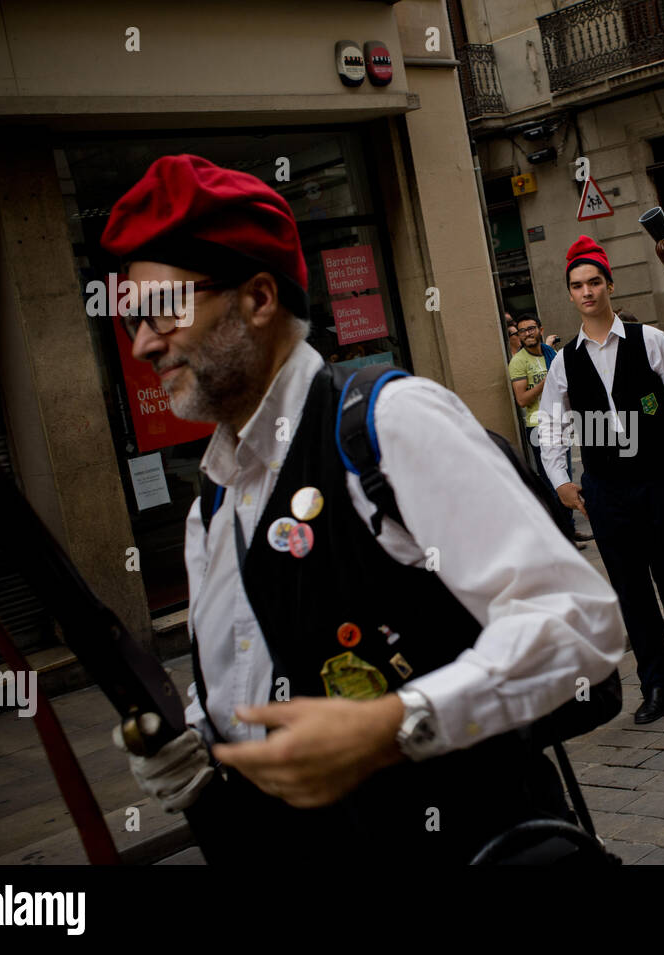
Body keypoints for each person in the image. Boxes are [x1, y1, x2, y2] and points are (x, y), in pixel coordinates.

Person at [104, 155, 624, 864]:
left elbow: (580, 624)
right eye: (132, 318)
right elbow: (247, 687)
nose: (141, 342)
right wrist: (200, 750)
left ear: (258, 297)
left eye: (163, 309)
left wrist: (395, 724)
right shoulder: (213, 502)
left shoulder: (387, 423)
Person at [539, 236, 664, 724]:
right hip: (606, 489)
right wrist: (560, 481)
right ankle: (656, 684)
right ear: (570, 294)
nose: (587, 291)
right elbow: (550, 429)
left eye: (594, 281)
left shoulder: (650, 340)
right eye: (577, 285)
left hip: (660, 477)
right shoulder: (565, 362)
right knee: (632, 592)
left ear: (609, 285)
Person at [508, 313, 589, 542]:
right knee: (551, 481)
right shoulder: (519, 362)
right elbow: (522, 399)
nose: (527, 334)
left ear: (540, 329)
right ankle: (562, 535)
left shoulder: (550, 353)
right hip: (537, 426)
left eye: (531, 328)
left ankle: (569, 529)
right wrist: (548, 382)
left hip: (560, 422)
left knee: (566, 479)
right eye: (522, 331)